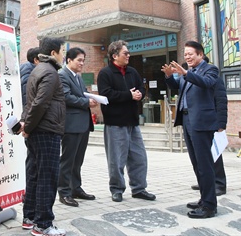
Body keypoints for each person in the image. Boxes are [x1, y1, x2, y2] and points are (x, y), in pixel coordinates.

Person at [162, 40, 222, 219]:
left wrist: (185, 73)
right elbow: (177, 87)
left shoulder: (210, 70)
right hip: (188, 120)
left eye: (190, 54)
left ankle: (210, 206)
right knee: (197, 164)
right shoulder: (188, 73)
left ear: (200, 55)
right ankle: (204, 199)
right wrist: (168, 77)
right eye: (185, 54)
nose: (187, 56)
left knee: (205, 165)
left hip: (202, 123)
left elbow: (206, 83)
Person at [96, 40, 156, 203]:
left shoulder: (132, 72)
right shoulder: (105, 73)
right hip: (115, 122)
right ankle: (116, 189)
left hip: (133, 122)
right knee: (116, 160)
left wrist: (140, 95)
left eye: (128, 53)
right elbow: (106, 95)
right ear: (115, 56)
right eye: (125, 53)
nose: (129, 55)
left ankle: (139, 188)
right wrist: (128, 95)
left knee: (139, 157)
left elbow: (141, 89)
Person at [20, 37, 67, 236]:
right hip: (46, 131)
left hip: (37, 130)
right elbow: (39, 103)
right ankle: (43, 224)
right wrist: (28, 126)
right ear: (54, 52)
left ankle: (29, 217)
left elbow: (30, 103)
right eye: (63, 50)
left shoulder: (38, 70)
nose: (64, 54)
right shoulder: (50, 72)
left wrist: (26, 125)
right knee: (47, 177)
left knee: (35, 175)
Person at [57, 47, 98, 207]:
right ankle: (64, 192)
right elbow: (66, 97)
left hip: (83, 125)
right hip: (71, 125)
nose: (82, 63)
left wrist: (92, 99)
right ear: (69, 60)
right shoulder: (62, 76)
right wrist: (86, 102)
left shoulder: (78, 77)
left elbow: (81, 94)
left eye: (83, 60)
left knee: (78, 160)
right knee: (67, 160)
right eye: (79, 60)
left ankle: (76, 188)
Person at [190, 56, 228, 196]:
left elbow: (221, 100)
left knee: (215, 155)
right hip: (199, 122)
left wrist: (221, 123)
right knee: (201, 156)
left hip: (212, 122)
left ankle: (219, 184)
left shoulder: (213, 78)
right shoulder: (196, 78)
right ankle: (205, 183)